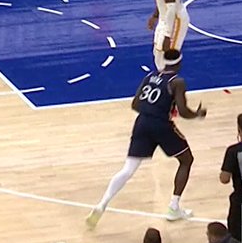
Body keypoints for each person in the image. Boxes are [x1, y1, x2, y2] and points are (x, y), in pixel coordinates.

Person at [87, 48, 204, 227]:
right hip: (161, 125)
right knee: (186, 160)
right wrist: (196, 114)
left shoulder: (150, 76)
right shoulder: (177, 82)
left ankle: (102, 203)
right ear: (179, 63)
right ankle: (173, 207)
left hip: (142, 123)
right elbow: (183, 111)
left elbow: (135, 104)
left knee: (128, 169)